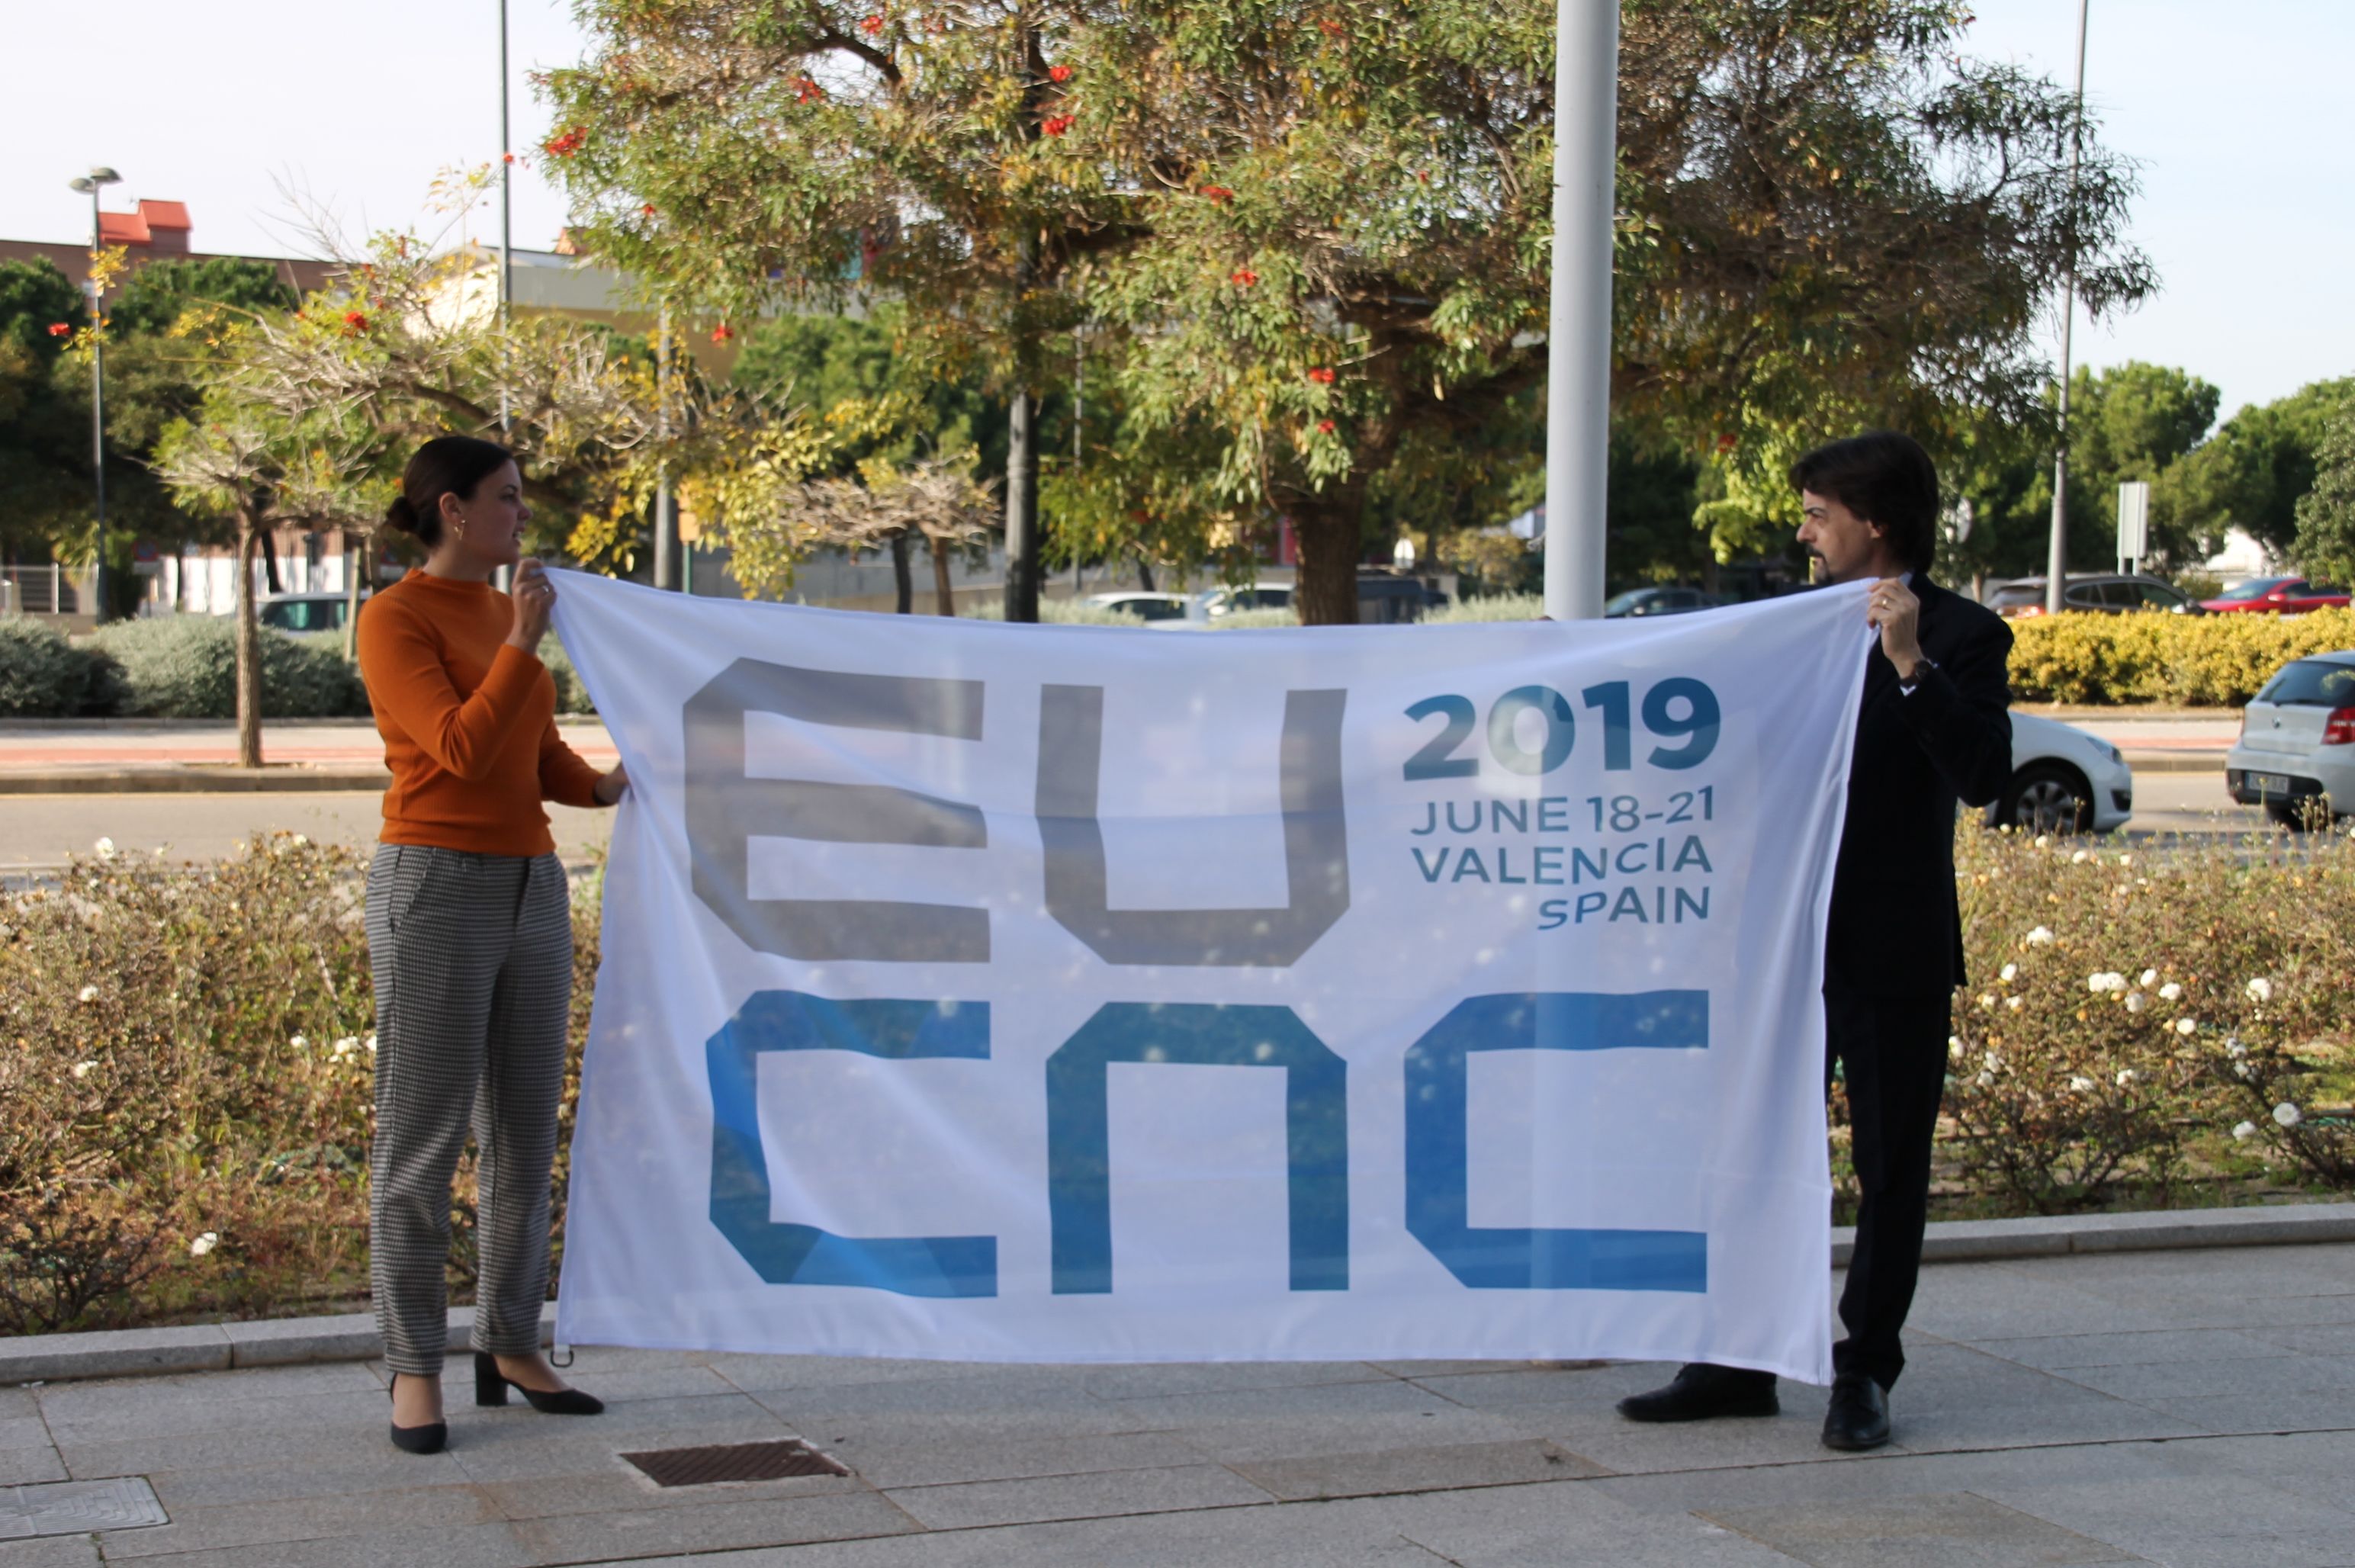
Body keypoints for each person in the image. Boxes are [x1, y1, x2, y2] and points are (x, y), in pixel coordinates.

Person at [1616, 429, 2012, 1451]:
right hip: (1777, 945)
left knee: (1891, 1168)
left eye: (1818, 514)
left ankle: (1863, 1371)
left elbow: (1984, 775)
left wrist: (1910, 663)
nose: (1804, 532)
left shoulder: (1963, 635)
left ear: (1874, 522)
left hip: (1894, 945)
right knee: (1751, 1149)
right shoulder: (1784, 630)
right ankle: (1737, 1360)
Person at [358, 435, 629, 1454]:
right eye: (506, 499)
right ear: (450, 510)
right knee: (421, 1142)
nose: (522, 515)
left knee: (525, 1133)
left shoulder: (500, 615)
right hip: (434, 884)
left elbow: (531, 752)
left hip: (531, 884)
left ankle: (512, 1342)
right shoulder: (396, 619)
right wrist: (523, 640)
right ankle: (413, 1368)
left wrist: (606, 784)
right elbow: (462, 749)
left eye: (522, 498)